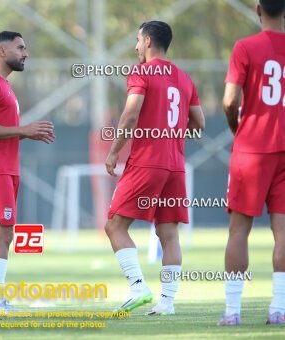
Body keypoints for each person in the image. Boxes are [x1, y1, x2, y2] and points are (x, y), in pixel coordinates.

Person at [104, 21, 205, 315]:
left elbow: (130, 115)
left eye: (137, 40)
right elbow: (199, 122)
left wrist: (113, 152)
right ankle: (167, 303)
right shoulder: (184, 78)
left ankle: (137, 286)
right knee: (168, 234)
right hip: (175, 165)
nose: (135, 47)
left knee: (114, 225)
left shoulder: (142, 71)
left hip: (148, 161)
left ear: (148, 41)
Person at [0, 31, 55, 315]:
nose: (26, 52)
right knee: (3, 235)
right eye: (20, 47)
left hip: (2, 168)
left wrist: (24, 133)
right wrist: (23, 130)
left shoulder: (3, 86)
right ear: (1, 52)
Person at [219, 0, 285, 326]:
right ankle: (280, 308)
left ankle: (232, 312)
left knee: (239, 231)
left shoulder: (245, 47)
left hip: (252, 149)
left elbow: (230, 100)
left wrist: (237, 126)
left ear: (259, 10)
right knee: (283, 231)